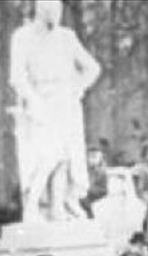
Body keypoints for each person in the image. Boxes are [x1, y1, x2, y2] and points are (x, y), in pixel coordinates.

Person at [8, 0, 101, 221]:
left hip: (66, 102)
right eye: (50, 11)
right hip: (39, 101)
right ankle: (32, 205)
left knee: (65, 157)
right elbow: (17, 77)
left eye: (58, 11)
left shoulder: (66, 37)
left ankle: (58, 206)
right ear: (40, 11)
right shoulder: (22, 37)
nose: (55, 16)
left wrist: (77, 87)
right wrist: (33, 100)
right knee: (46, 156)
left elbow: (93, 68)